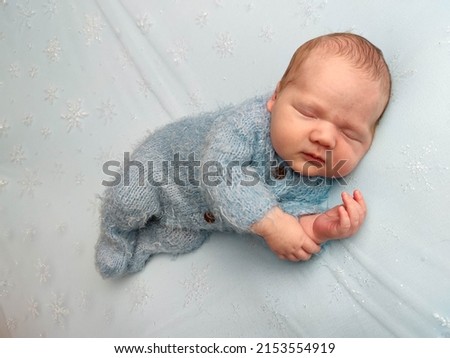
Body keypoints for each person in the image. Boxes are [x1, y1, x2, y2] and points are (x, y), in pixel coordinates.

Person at [95, 32, 391, 278]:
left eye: (349, 134)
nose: (325, 138)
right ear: (276, 98)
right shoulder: (246, 123)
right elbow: (219, 169)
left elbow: (292, 226)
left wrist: (320, 226)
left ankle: (140, 248)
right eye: (308, 113)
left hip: (198, 217)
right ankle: (115, 234)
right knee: (129, 199)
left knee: (182, 240)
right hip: (160, 169)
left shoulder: (316, 177)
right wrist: (272, 223)